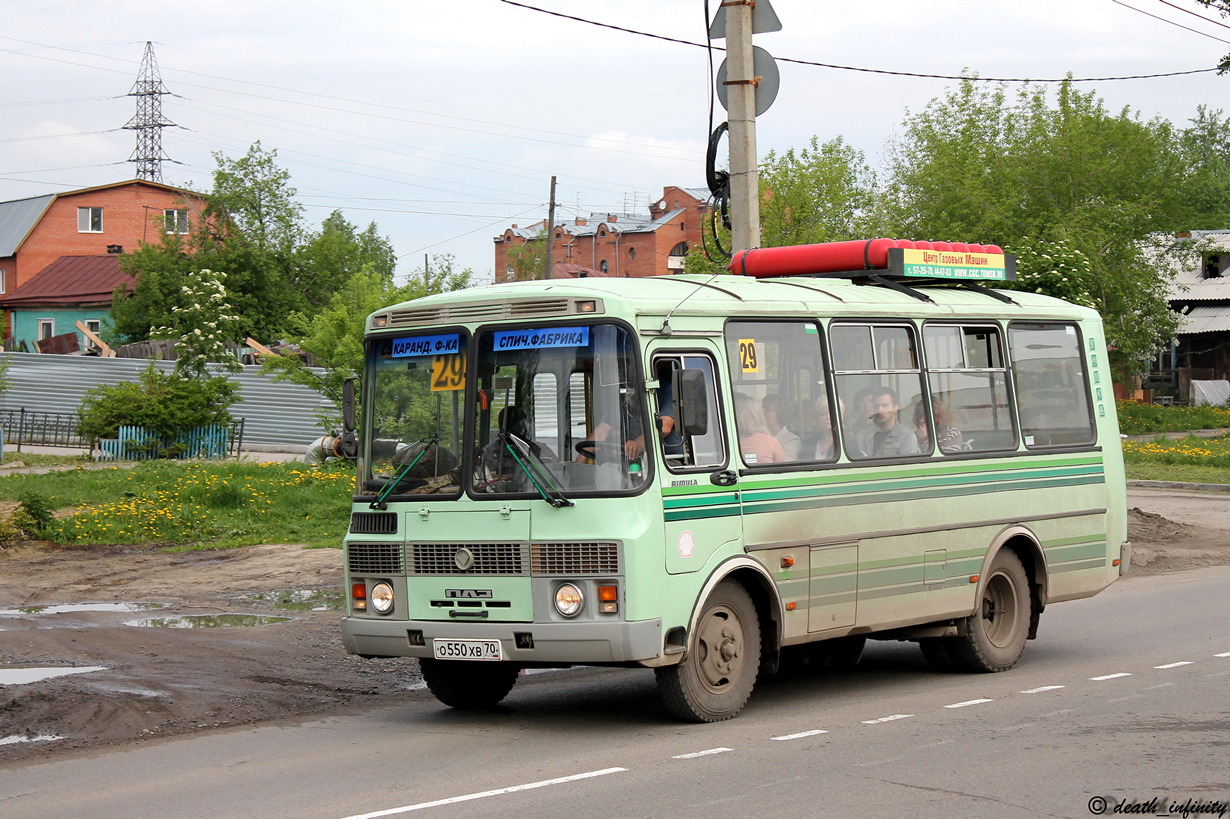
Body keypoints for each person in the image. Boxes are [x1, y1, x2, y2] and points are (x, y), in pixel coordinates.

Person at [734, 393, 786, 465]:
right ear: (758, 415)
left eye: (768, 409)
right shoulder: (771, 441)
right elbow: (782, 469)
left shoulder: (728, 442)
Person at [869, 387, 920, 457]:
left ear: (895, 408)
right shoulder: (868, 434)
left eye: (885, 405)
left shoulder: (907, 437)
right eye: (876, 406)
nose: (880, 410)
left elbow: (908, 466)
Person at [762, 394, 801, 460]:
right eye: (762, 408)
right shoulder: (758, 436)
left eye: (768, 409)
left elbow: (784, 465)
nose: (762, 412)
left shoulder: (791, 440)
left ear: (780, 414)